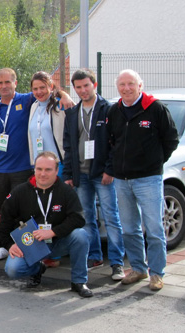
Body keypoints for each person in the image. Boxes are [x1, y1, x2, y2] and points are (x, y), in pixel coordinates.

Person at [0, 68, 73, 261]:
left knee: (24, 210)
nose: (4, 86)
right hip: (0, 169)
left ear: (15, 83)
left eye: (7, 82)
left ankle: (25, 247)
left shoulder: (27, 100)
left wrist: (64, 94)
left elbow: (48, 90)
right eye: (0, 83)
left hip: (24, 167)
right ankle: (2, 245)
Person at [107, 69, 179, 291]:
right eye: (122, 85)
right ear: (117, 87)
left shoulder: (156, 109)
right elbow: (112, 142)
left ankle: (156, 274)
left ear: (140, 85)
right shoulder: (115, 111)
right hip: (122, 180)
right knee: (129, 228)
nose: (126, 88)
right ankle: (138, 268)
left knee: (155, 229)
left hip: (148, 179)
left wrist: (154, 163)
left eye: (131, 84)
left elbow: (171, 140)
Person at [0, 152, 93, 298]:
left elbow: (78, 218)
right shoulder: (20, 192)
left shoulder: (66, 191)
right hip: (31, 244)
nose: (43, 174)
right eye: (39, 169)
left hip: (57, 242)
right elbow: (4, 221)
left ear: (56, 171)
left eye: (48, 170)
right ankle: (38, 268)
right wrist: (9, 245)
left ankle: (79, 282)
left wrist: (53, 232)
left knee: (80, 235)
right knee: (12, 269)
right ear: (34, 170)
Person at [63, 69, 125, 280]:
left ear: (95, 85)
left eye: (86, 86)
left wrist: (110, 169)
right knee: (87, 218)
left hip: (102, 175)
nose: (82, 90)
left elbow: (116, 143)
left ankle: (117, 263)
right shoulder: (72, 113)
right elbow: (68, 146)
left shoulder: (108, 109)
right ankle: (94, 256)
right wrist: (69, 174)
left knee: (111, 217)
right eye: (78, 87)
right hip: (81, 176)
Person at [28, 71, 65, 169]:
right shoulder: (33, 107)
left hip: (58, 164)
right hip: (39, 166)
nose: (39, 92)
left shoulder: (60, 106)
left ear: (51, 86)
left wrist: (64, 95)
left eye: (42, 87)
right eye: (35, 89)